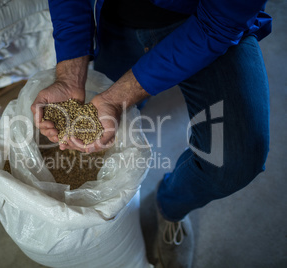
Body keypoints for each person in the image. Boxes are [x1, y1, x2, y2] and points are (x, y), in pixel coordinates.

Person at [31, 0, 272, 267]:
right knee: (111, 122)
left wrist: (119, 97)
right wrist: (69, 73)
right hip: (118, 15)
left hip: (205, 21)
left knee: (234, 161)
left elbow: (219, 22)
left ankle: (170, 207)